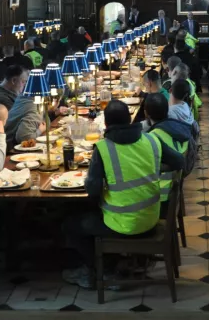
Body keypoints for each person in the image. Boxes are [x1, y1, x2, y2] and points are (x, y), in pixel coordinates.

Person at [61, 100, 185, 289]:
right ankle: (114, 264)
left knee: (70, 224)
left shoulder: (103, 148)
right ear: (130, 119)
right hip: (151, 218)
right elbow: (179, 161)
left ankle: (101, 270)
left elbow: (92, 191)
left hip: (120, 225)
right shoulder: (152, 140)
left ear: (107, 125)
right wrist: (151, 167)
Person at [144, 93, 196, 213]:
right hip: (173, 187)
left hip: (161, 195)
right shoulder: (178, 126)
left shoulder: (153, 138)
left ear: (146, 113)